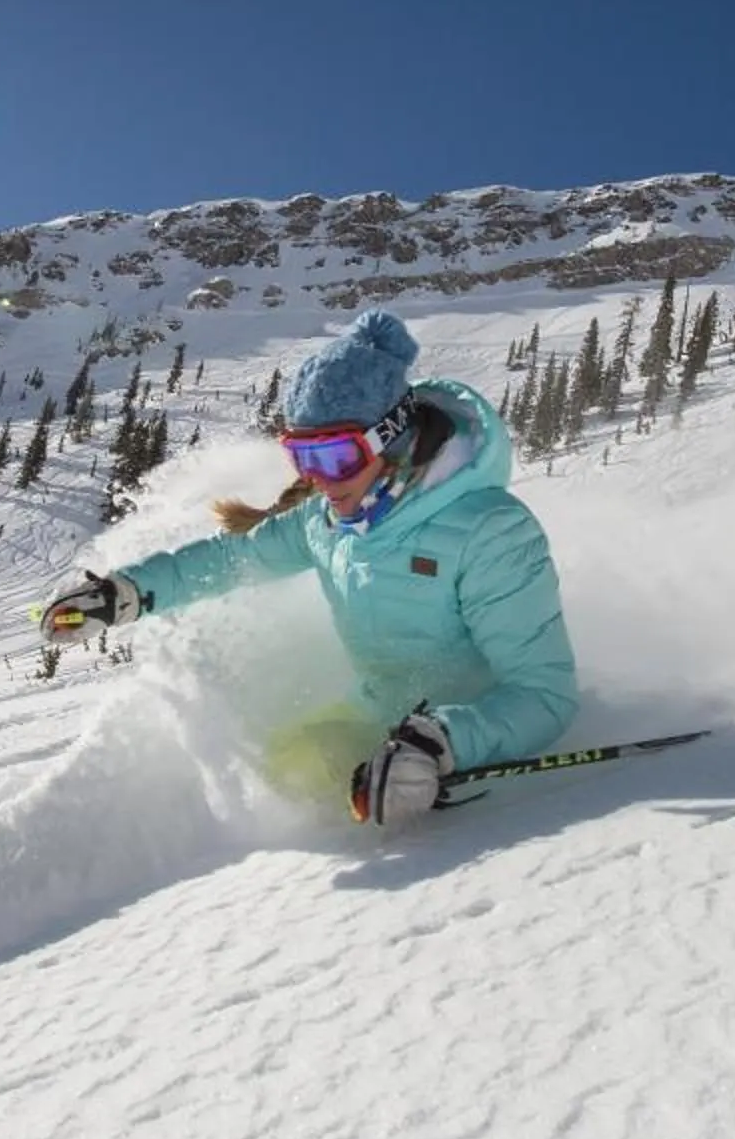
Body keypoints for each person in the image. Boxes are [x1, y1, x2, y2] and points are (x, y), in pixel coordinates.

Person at [37, 310, 577, 827]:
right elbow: (235, 559)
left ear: (390, 438)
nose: (320, 480)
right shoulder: (325, 523)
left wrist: (443, 741)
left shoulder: (490, 531)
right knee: (277, 776)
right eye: (303, 458)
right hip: (375, 718)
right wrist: (128, 591)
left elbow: (543, 695)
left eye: (336, 457)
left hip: (465, 742)